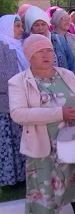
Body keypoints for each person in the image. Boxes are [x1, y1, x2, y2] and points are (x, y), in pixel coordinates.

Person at [8, 34, 75, 214]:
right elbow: (18, 114)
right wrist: (60, 113)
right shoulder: (19, 82)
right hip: (44, 151)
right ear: (29, 55)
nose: (46, 55)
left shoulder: (67, 75)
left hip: (73, 143)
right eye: (40, 52)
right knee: (46, 199)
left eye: (49, 50)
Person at [0, 15, 28, 187]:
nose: (21, 29)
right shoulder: (1, 46)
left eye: (20, 26)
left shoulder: (20, 46)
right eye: (17, 26)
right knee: (9, 141)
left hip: (23, 100)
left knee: (22, 139)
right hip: (6, 102)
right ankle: (10, 178)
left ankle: (24, 175)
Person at [25, 6, 75, 74]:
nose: (41, 28)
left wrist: (71, 80)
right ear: (31, 28)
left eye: (43, 24)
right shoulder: (27, 46)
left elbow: (71, 63)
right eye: (36, 25)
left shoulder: (59, 40)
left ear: (47, 26)